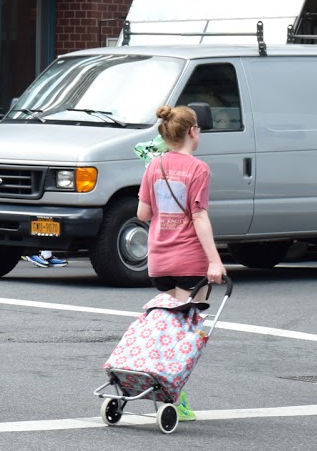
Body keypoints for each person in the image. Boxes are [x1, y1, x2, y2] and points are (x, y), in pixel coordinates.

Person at [136, 104, 225, 423]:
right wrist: (215, 261)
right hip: (189, 259)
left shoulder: (154, 165)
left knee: (167, 331)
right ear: (191, 132)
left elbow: (142, 215)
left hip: (159, 260)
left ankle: (161, 389)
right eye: (198, 127)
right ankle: (175, 396)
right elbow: (199, 216)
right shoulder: (198, 169)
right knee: (186, 335)